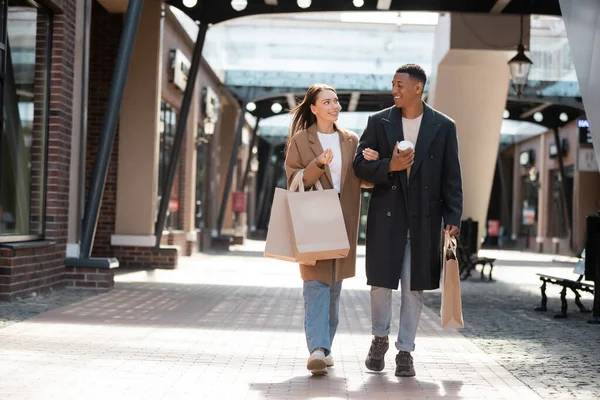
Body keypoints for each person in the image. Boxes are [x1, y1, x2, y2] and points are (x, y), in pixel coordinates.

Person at [352, 64, 463, 377]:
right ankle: (379, 337)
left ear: (418, 87)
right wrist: (391, 165)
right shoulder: (378, 122)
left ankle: (405, 351)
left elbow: (452, 175)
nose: (394, 90)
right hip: (386, 215)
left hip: (425, 219)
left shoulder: (443, 125)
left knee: (415, 288)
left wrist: (453, 216)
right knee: (380, 285)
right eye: (393, 84)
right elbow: (359, 166)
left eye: (400, 84)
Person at [284, 84, 379, 375]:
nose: (334, 105)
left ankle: (325, 348)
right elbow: (293, 179)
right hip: (314, 217)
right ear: (313, 108)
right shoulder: (301, 140)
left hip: (344, 218)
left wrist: (371, 166)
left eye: (336, 101)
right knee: (315, 283)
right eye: (327, 101)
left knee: (334, 286)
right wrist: (317, 164)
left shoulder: (350, 140)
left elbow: (363, 181)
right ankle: (316, 350)